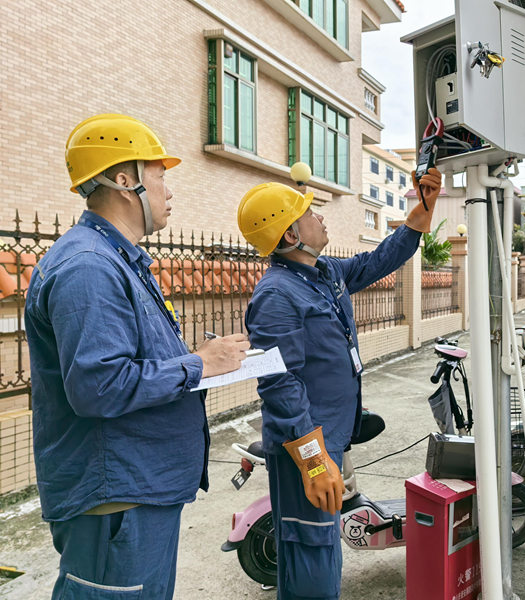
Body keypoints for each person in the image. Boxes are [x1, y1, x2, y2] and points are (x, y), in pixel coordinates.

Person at [25, 113, 250, 599]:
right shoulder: (89, 266)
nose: (169, 190)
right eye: (160, 175)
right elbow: (98, 385)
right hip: (117, 501)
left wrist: (198, 358)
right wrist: (200, 364)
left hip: (136, 492)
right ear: (125, 180)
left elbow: (128, 362)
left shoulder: (116, 259)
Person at [238, 166, 442, 599]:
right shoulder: (275, 296)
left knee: (320, 550)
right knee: (312, 556)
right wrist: (314, 463)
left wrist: (420, 213)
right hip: (305, 447)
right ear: (291, 236)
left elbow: (377, 261)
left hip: (331, 436)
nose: (321, 217)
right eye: (309, 213)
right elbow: (280, 388)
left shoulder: (324, 272)